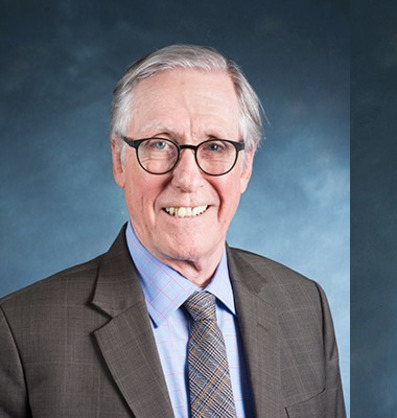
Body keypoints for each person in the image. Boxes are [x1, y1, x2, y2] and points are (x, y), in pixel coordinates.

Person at [0, 44, 345, 418]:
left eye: (215, 146)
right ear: (119, 160)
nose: (187, 178)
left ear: (245, 165)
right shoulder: (21, 332)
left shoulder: (306, 306)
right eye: (160, 144)